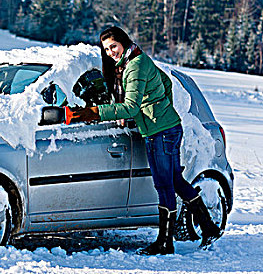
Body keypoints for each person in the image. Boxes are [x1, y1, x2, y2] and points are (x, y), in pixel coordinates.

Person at [66, 26, 222, 255]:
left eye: (113, 47)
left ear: (123, 42)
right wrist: (160, 110)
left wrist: (91, 112)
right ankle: (208, 228)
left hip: (162, 133)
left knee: (164, 184)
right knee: (176, 181)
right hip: (163, 129)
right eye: (106, 49)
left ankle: (165, 243)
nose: (110, 53)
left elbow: (130, 108)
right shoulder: (138, 59)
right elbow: (165, 84)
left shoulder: (135, 67)